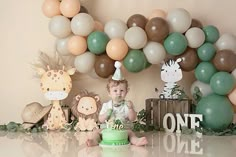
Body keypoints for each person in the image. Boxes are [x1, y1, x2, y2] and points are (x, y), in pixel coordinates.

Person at [86, 61, 148, 147]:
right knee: (96, 132)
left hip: (123, 129)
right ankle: (94, 141)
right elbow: (100, 119)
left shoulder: (127, 105)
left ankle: (136, 141)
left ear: (126, 92)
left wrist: (131, 109)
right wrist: (106, 114)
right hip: (108, 128)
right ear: (109, 93)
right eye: (115, 91)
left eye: (122, 90)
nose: (118, 93)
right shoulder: (107, 105)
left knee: (130, 133)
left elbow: (132, 118)